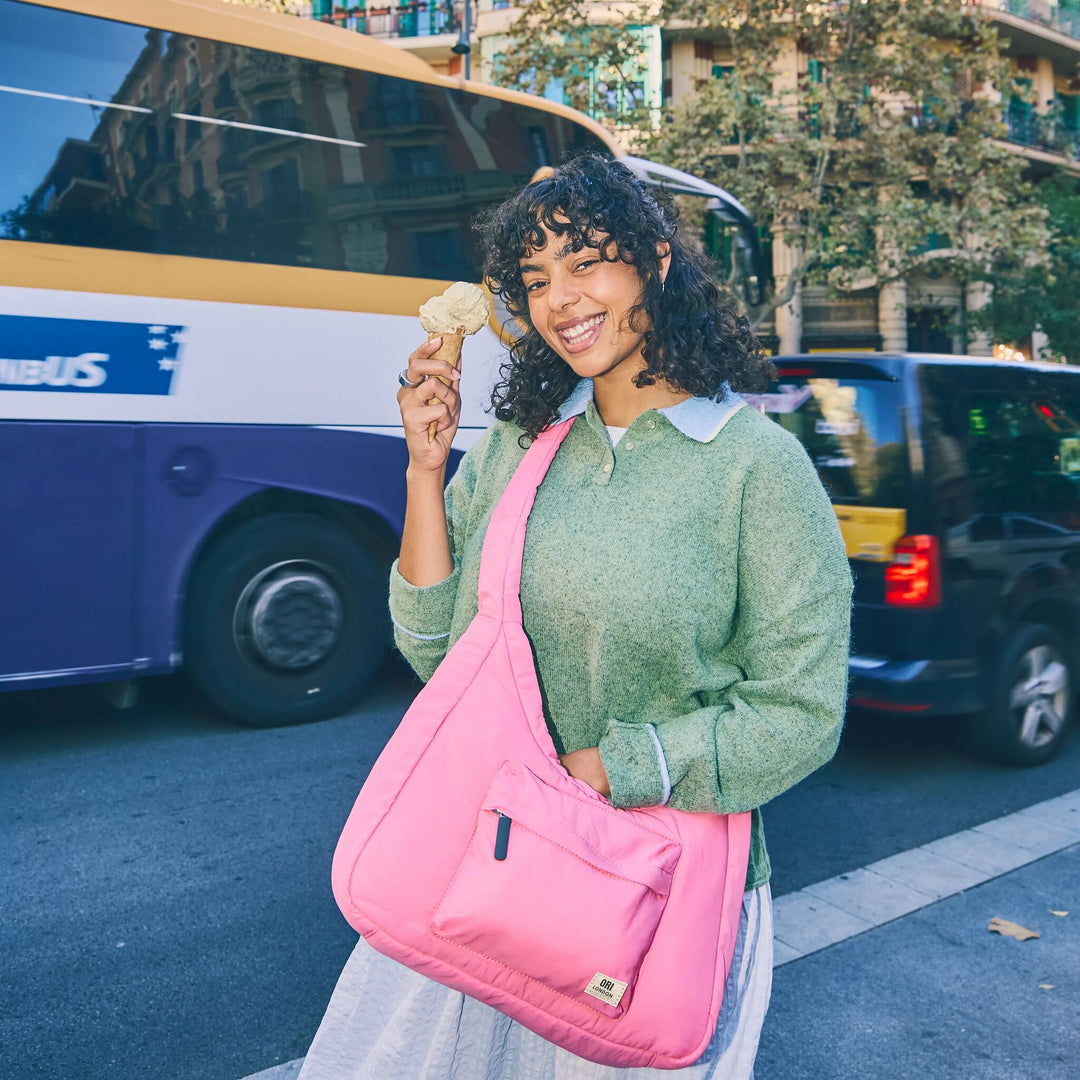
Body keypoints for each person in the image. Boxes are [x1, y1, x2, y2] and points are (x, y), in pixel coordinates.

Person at [298, 153, 852, 1080]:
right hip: (491, 873)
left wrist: (615, 768)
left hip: (654, 897)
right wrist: (425, 471)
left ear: (657, 264)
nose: (562, 299)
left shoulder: (758, 468)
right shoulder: (524, 440)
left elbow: (802, 713)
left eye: (588, 261)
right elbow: (436, 649)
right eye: (537, 279)